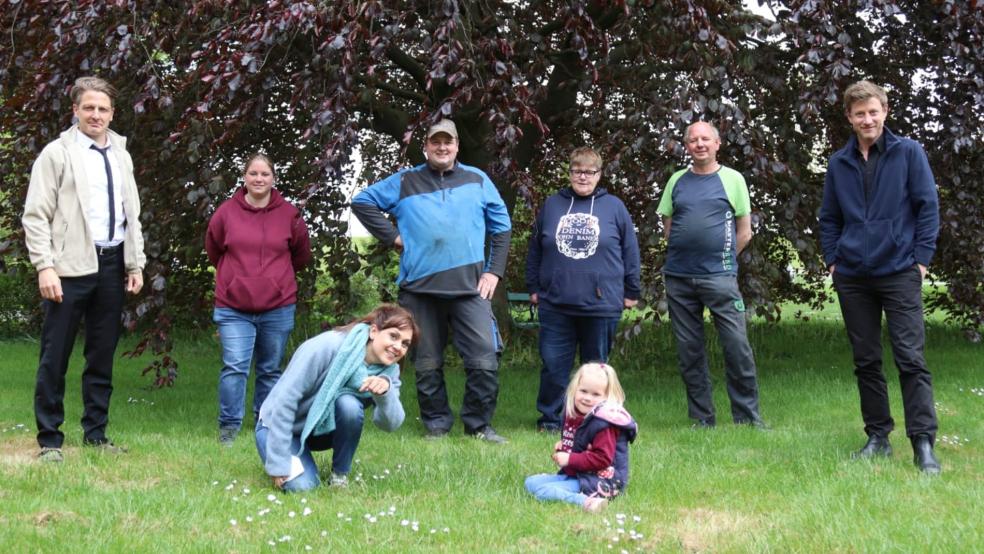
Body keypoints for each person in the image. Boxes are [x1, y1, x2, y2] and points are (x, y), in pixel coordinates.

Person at [351, 119, 512, 443]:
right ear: (425, 146)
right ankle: (436, 424)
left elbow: (502, 227)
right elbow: (362, 202)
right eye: (435, 142)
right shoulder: (405, 181)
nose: (442, 147)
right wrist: (393, 237)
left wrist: (493, 270)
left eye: (447, 142)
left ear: (456, 146)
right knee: (426, 362)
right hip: (418, 291)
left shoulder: (477, 180)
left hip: (470, 290)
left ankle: (479, 426)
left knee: (484, 357)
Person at [819, 81, 941, 474]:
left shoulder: (908, 153)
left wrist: (920, 261)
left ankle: (923, 443)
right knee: (866, 360)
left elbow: (927, 208)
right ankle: (878, 437)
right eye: (859, 114)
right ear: (850, 118)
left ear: (885, 111)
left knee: (911, 358)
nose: (867, 119)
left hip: (899, 271)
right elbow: (830, 217)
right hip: (853, 275)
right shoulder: (839, 163)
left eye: (873, 111)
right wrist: (834, 261)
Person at [22, 76, 146, 462]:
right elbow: (36, 215)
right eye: (89, 107)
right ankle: (50, 440)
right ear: (75, 110)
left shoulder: (121, 155)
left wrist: (135, 263)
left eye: (103, 108)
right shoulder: (56, 154)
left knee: (101, 355)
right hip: (69, 267)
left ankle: (96, 434)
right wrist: (45, 267)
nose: (96, 114)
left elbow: (132, 215)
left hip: (111, 266)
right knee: (54, 355)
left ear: (112, 113)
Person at [656, 121, 765, 429]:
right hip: (678, 278)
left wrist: (723, 261)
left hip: (720, 278)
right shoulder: (677, 180)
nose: (699, 144)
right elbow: (668, 226)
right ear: (686, 146)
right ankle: (702, 418)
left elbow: (745, 232)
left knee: (737, 346)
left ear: (718, 144)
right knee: (689, 351)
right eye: (693, 140)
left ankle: (747, 418)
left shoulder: (733, 179)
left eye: (706, 139)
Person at [525, 147, 641, 432]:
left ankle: (595, 421)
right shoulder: (552, 204)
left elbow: (630, 252)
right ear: (569, 173)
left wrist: (632, 291)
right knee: (553, 367)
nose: (583, 177)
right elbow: (535, 249)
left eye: (589, 172)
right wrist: (534, 287)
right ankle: (551, 420)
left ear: (599, 175)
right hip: (555, 303)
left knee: (596, 371)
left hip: (602, 305)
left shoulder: (614, 207)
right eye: (577, 171)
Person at [205, 153, 312, 446]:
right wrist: (237, 278)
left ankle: (264, 422)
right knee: (235, 366)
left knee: (270, 369)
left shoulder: (289, 214)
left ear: (273, 178)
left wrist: (274, 281)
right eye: (253, 173)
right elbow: (214, 250)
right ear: (244, 177)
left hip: (277, 306)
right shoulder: (225, 213)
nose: (259, 179)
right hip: (233, 306)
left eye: (265, 174)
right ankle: (229, 428)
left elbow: (301, 256)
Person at [255, 304, 418, 492]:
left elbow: (391, 424)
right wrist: (278, 462)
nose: (398, 347)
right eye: (393, 336)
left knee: (349, 405)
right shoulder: (327, 346)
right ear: (374, 331)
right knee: (303, 488)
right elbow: (285, 402)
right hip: (276, 425)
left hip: (318, 431)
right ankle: (287, 455)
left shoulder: (388, 371)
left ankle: (339, 476)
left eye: (405, 343)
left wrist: (384, 394)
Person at [524, 362, 638, 513]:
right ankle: (564, 489)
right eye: (583, 391)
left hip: (602, 481)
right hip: (578, 475)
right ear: (574, 389)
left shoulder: (604, 422)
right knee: (530, 483)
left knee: (543, 492)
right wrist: (565, 445)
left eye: (596, 394)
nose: (587, 398)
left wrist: (569, 459)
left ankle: (587, 502)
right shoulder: (577, 413)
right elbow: (582, 441)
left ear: (607, 397)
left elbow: (602, 458)